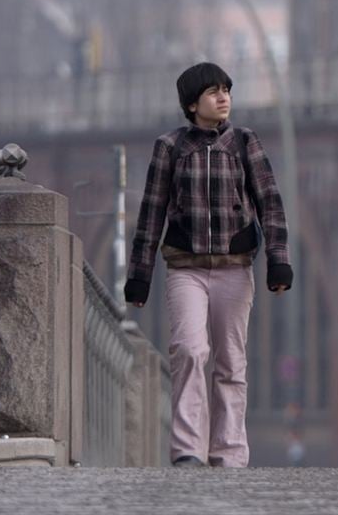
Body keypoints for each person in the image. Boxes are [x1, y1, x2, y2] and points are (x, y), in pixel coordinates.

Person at [124, 62, 293, 468]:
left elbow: (269, 203)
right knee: (190, 350)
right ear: (191, 103)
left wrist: (278, 261)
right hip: (187, 269)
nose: (223, 98)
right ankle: (186, 449)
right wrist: (139, 276)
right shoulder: (170, 147)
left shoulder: (245, 143)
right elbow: (152, 212)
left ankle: (229, 451)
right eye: (213, 92)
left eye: (227, 90)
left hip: (236, 268)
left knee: (231, 361)